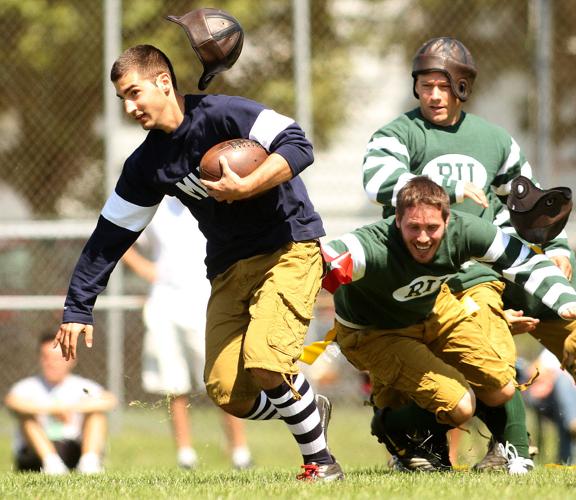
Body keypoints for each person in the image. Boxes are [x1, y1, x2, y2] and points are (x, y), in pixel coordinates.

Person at [53, 44, 343, 481]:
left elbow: (298, 144)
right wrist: (78, 306)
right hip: (228, 266)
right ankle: (304, 401)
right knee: (229, 392)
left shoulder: (226, 112)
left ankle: (321, 464)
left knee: (266, 361)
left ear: (163, 82)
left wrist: (249, 184)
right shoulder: (147, 163)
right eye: (122, 99)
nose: (129, 107)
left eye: (134, 93)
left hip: (288, 248)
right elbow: (111, 235)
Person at [360, 36, 576, 472]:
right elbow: (377, 180)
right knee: (405, 387)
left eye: (442, 86)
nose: (432, 95)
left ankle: (512, 454)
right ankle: (405, 438)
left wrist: (555, 247)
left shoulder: (494, 140)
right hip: (413, 277)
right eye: (425, 85)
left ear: (462, 86)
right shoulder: (398, 133)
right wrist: (443, 190)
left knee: (496, 357)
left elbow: (527, 210)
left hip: (475, 272)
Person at [321, 176, 576, 473]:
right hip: (373, 331)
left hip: (433, 308)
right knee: (460, 406)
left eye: (432, 228)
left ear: (447, 220)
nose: (423, 237)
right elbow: (324, 258)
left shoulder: (466, 231)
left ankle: (513, 455)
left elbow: (525, 261)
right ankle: (390, 425)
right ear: (397, 221)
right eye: (414, 227)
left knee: (501, 386)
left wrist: (569, 301)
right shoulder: (371, 245)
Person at [122, 195, 252, 470]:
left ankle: (240, 452)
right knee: (173, 384)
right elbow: (120, 238)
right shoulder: (153, 209)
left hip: (208, 301)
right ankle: (185, 455)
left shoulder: (214, 202)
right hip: (165, 303)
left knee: (223, 379)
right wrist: (147, 270)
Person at [4, 332, 117, 475]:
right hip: (36, 455)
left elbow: (109, 400)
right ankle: (51, 464)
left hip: (72, 449)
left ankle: (89, 463)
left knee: (96, 416)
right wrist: (52, 409)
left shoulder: (82, 386)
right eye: (47, 358)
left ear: (71, 359)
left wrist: (70, 408)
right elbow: (12, 402)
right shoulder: (27, 387)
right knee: (27, 418)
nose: (52, 363)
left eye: (58, 358)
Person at [521, 350, 576, 464]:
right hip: (561, 399)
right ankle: (574, 423)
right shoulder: (558, 348)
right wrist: (548, 376)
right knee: (562, 384)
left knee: (566, 411)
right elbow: (534, 371)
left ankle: (574, 423)